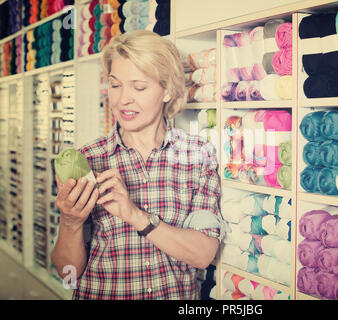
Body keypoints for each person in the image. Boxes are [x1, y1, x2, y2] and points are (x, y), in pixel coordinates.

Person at [51, 30, 226, 300]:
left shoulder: (197, 156)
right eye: (115, 84)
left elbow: (203, 255)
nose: (123, 99)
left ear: (167, 90)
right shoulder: (89, 158)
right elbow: (67, 273)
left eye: (139, 87)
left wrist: (135, 214)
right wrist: (71, 222)